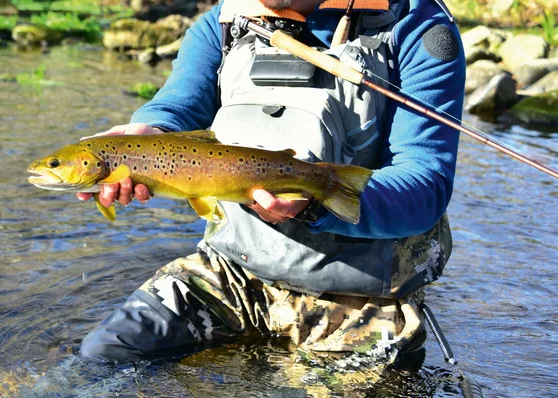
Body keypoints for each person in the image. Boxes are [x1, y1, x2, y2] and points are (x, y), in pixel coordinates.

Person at [76, 0, 464, 389]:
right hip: (234, 269)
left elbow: (426, 186)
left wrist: (314, 203)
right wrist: (149, 132)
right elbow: (177, 107)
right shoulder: (224, 23)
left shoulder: (416, 25)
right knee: (103, 358)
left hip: (360, 295)